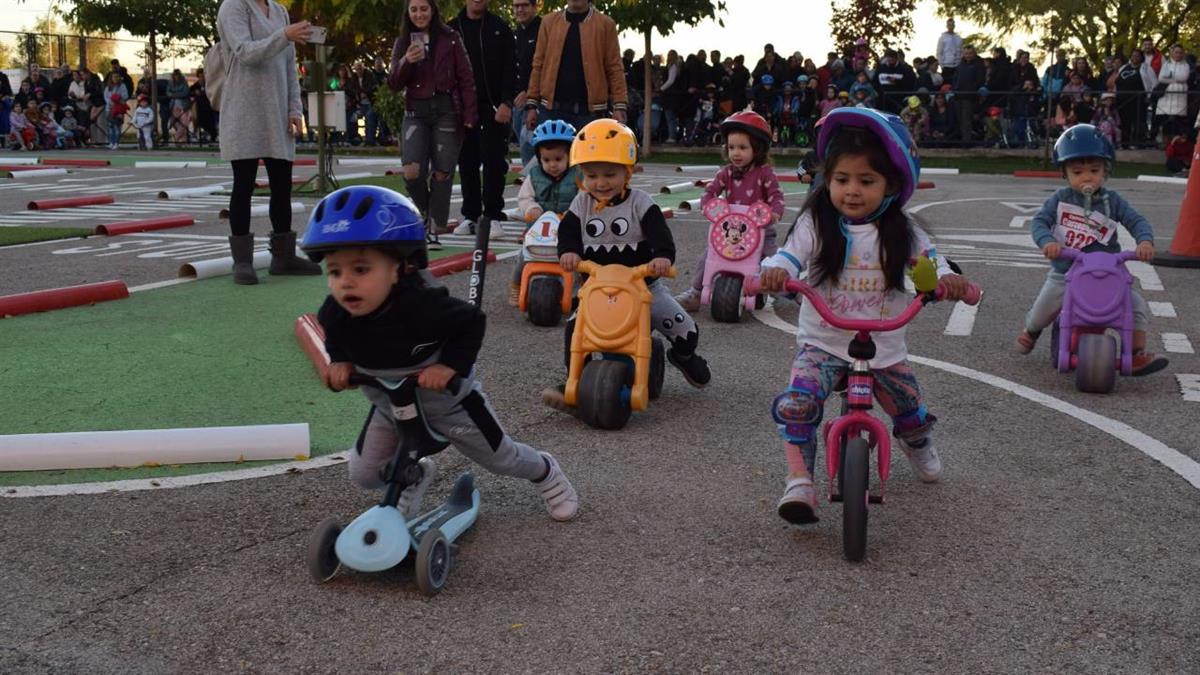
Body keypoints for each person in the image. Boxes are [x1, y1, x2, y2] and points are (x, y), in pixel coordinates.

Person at [300, 185, 580, 522]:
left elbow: (471, 322)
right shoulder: (336, 312)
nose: (345, 283)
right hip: (390, 407)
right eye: (335, 271)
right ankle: (412, 477)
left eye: (361, 270)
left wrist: (450, 366)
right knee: (365, 472)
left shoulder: (425, 305)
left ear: (401, 268)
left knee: (502, 459)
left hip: (450, 404)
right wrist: (339, 361)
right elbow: (335, 338)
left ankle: (546, 471)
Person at [758, 107, 974, 522]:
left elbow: (932, 260)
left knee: (908, 407)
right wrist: (774, 273)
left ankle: (917, 443)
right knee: (797, 405)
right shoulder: (815, 224)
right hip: (822, 342)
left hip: (884, 345)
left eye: (866, 181)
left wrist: (948, 280)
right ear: (827, 180)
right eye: (841, 180)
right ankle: (799, 481)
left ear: (892, 184)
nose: (852, 191)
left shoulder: (903, 230)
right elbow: (788, 256)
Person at [542, 119, 712, 410]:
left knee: (686, 330)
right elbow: (568, 233)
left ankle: (682, 357)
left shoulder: (640, 203)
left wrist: (662, 257)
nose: (601, 183)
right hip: (596, 287)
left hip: (644, 286)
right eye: (592, 175)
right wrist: (568, 252)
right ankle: (574, 378)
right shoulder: (580, 205)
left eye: (610, 174)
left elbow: (660, 234)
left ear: (627, 171)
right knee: (575, 331)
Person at [1015, 124, 1168, 375]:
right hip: (1067, 272)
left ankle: (1137, 353)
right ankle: (1031, 330)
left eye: (1094, 170)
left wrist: (1145, 241)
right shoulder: (1060, 199)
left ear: (1106, 170)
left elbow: (1136, 220)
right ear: (1064, 173)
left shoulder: (1111, 201)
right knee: (1044, 307)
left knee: (1136, 306)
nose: (1087, 177)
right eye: (1077, 172)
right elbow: (1040, 222)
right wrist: (1048, 243)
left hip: (1109, 274)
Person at [216, 0, 321, 285]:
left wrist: (295, 109)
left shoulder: (279, 11)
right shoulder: (233, 7)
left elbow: (290, 66)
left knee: (282, 184)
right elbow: (246, 52)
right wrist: (283, 35)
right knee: (244, 184)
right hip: (244, 109)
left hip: (276, 109)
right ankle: (242, 261)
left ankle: (283, 257)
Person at [675, 111, 784, 312]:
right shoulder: (726, 173)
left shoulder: (764, 173)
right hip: (731, 231)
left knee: (775, 261)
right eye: (731, 147)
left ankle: (795, 293)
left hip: (761, 231)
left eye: (743, 147)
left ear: (757, 149)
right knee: (708, 256)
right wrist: (707, 204)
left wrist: (775, 211)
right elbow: (711, 191)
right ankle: (696, 292)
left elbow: (776, 196)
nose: (736, 153)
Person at [388, 0, 477, 248]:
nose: (419, 14)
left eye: (424, 8)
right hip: (415, 111)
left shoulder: (450, 38)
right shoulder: (403, 41)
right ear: (407, 12)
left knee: (442, 171)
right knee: (412, 171)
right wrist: (406, 60)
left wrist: (470, 115)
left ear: (433, 10)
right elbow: (393, 83)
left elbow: (466, 77)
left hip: (447, 110)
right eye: (414, 9)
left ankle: (433, 229)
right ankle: (425, 218)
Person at [449, 0, 517, 238]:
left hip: (494, 107)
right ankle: (470, 216)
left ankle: (493, 215)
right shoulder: (451, 29)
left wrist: (507, 103)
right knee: (466, 162)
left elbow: (512, 70)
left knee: (494, 162)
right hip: (462, 109)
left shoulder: (500, 28)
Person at [523, 0, 628, 133]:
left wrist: (619, 106)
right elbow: (538, 64)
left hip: (591, 113)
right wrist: (532, 104)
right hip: (551, 111)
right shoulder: (548, 23)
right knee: (551, 153)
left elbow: (615, 68)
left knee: (589, 154)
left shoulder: (606, 25)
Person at [511, 119, 580, 305]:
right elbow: (524, 197)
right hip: (539, 229)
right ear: (539, 158)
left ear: (570, 156)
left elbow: (584, 197)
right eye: (546, 160)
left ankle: (583, 290)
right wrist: (532, 209)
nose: (552, 165)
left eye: (558, 159)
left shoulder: (579, 175)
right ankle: (516, 285)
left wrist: (574, 214)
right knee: (523, 257)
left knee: (583, 259)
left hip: (570, 229)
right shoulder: (534, 176)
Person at [512, 0, 542, 166]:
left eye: (524, 5)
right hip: (517, 103)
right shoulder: (515, 34)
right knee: (526, 150)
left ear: (535, 7)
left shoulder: (544, 30)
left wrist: (529, 93)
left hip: (538, 103)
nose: (520, 9)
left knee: (531, 148)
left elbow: (546, 67)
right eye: (516, 6)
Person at [1113, 49, 1155, 148]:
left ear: (1141, 57)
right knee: (1124, 122)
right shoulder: (1123, 67)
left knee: (1138, 122)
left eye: (1137, 56)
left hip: (1138, 100)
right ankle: (1124, 143)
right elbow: (1117, 82)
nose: (1135, 58)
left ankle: (1139, 143)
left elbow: (1153, 83)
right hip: (1122, 100)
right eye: (1133, 55)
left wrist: (1149, 96)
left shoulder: (1146, 68)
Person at [1154, 45, 1190, 146]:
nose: (1178, 54)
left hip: (1179, 97)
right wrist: (1175, 79)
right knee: (1165, 121)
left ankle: (1177, 144)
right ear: (1172, 53)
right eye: (1176, 52)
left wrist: (1170, 77)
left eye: (1180, 52)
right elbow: (1161, 78)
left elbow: (1183, 77)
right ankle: (1165, 144)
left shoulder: (1185, 65)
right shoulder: (1166, 64)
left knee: (1178, 121)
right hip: (1166, 96)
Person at [952, 45, 985, 144]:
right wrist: (955, 89)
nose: (968, 55)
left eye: (970, 53)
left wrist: (971, 90)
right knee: (959, 119)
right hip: (958, 96)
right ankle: (961, 140)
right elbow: (955, 78)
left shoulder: (979, 65)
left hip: (969, 96)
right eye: (966, 53)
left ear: (974, 53)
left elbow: (980, 80)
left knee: (966, 120)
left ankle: (966, 142)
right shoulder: (961, 65)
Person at [166, 69, 192, 144]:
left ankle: (176, 138)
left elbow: (185, 93)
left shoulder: (184, 83)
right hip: (173, 106)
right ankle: (181, 141)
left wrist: (174, 94)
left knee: (184, 123)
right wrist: (177, 94)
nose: (176, 77)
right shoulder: (170, 83)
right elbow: (168, 93)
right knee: (175, 123)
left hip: (183, 106)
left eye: (177, 75)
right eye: (174, 76)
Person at [936, 18, 963, 83]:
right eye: (949, 25)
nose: (951, 26)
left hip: (957, 65)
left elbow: (961, 51)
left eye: (952, 25)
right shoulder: (942, 38)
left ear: (954, 26)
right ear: (947, 26)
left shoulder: (958, 38)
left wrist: (960, 63)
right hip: (946, 66)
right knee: (947, 85)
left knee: (956, 84)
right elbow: (939, 52)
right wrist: (942, 66)